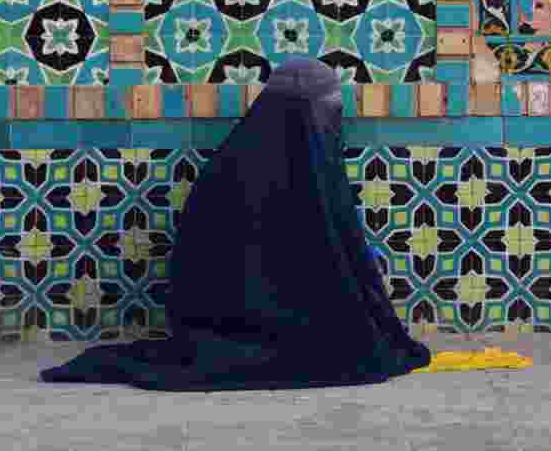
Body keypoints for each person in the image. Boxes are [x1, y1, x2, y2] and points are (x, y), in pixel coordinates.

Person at [40, 57, 432, 391]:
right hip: (247, 328)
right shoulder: (311, 173)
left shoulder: (232, 164)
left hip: (217, 331)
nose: (332, 116)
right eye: (326, 106)